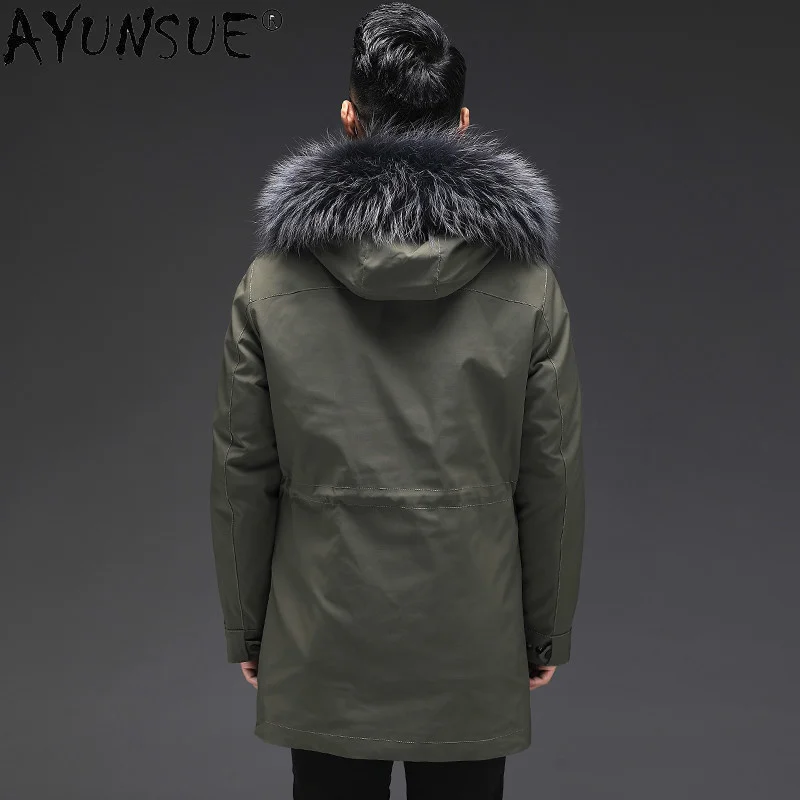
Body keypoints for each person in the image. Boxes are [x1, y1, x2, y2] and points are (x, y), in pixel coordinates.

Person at [209, 3, 586, 798]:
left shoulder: (271, 283)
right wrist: (543, 630)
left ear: (350, 119)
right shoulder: (527, 286)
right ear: (463, 126)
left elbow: (244, 471)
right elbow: (551, 472)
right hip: (472, 637)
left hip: (322, 635)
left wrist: (249, 625)